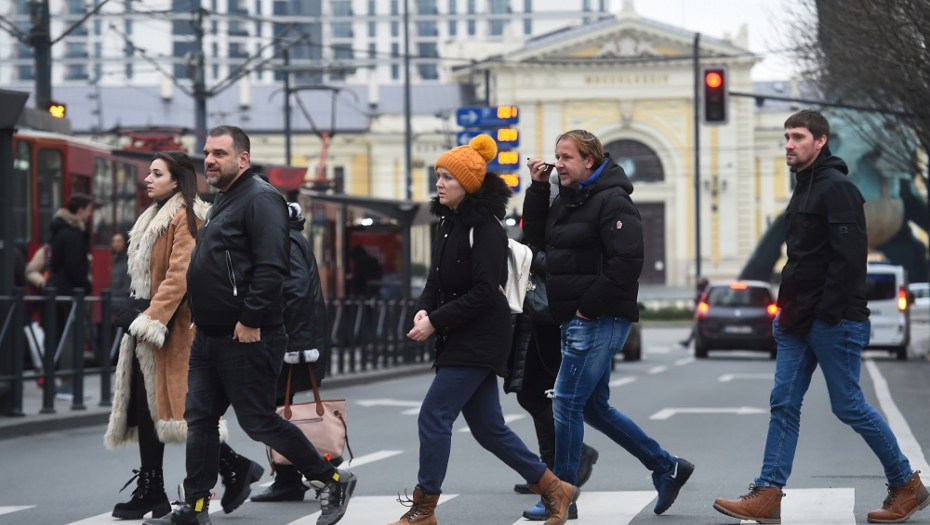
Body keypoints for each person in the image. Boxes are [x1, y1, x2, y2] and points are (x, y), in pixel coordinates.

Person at [713, 110, 929, 524]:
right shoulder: (805, 188)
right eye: (786, 137)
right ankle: (768, 494)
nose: (789, 144)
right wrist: (787, 310)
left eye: (797, 137)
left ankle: (907, 485)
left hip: (831, 320)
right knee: (784, 403)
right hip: (797, 320)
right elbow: (802, 259)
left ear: (821, 141)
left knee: (848, 405)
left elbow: (849, 260)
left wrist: (826, 314)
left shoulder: (839, 189)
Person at [145, 126, 355, 525]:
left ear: (242, 158)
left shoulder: (260, 198)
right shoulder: (226, 200)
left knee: (258, 419)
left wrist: (250, 319)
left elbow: (272, 267)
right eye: (207, 152)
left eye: (219, 153)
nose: (209, 160)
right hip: (210, 335)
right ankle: (195, 507)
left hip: (247, 334)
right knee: (201, 419)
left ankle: (331, 479)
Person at [388, 135, 577, 525]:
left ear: (468, 184)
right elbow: (434, 284)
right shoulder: (446, 224)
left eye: (447, 178)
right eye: (438, 176)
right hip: (457, 335)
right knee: (490, 429)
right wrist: (423, 312)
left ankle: (425, 508)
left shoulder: (486, 229)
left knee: (434, 415)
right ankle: (555, 489)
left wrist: (437, 321)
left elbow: (484, 294)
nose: (439, 183)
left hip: (481, 337)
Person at [523, 130, 693, 518]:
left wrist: (587, 307)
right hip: (575, 318)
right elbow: (535, 239)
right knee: (594, 408)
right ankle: (667, 466)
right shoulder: (568, 200)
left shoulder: (613, 201)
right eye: (556, 157)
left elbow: (628, 261)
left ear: (590, 161)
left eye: (566, 158)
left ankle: (559, 492)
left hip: (597, 318)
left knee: (565, 402)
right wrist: (536, 188)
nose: (558, 165)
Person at [250, 201, 334, 503]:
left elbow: (296, 291)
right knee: (273, 408)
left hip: (288, 341)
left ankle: (312, 473)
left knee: (271, 410)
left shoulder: (283, 239)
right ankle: (289, 478)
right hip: (291, 338)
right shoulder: (287, 235)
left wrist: (290, 344)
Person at [507, 248, 599, 522]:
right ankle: (546, 475)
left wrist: (526, 255)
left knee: (536, 396)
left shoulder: (555, 216)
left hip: (547, 320)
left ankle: (572, 459)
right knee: (535, 396)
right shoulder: (538, 219)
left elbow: (560, 261)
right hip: (531, 316)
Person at [47, 193, 94, 400]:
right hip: (71, 292)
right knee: (73, 336)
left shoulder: (60, 231)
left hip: (61, 290)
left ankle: (64, 382)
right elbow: (75, 267)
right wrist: (86, 285)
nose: (91, 215)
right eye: (89, 210)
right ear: (80, 210)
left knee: (67, 333)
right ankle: (68, 383)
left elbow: (55, 263)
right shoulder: (74, 234)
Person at [679, 276, 709, 347]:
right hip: (701, 311)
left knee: (697, 327)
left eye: (700, 281)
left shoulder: (705, 290)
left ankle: (689, 342)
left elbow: (702, 300)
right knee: (696, 327)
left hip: (704, 312)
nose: (699, 282)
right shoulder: (700, 289)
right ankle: (689, 342)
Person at [109, 231, 131, 301]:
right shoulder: (115, 259)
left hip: (124, 298)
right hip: (115, 298)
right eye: (114, 241)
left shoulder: (128, 260)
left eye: (119, 241)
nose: (116, 244)